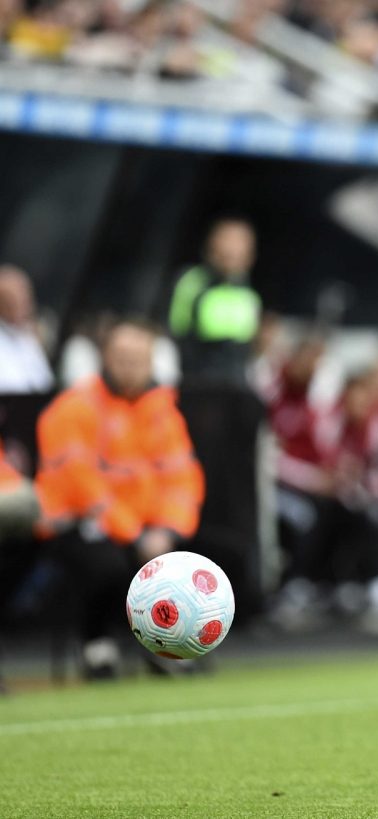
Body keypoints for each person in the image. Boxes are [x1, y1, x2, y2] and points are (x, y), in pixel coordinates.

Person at [34, 319, 205, 679]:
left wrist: (166, 531)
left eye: (138, 359)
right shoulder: (74, 407)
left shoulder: (162, 411)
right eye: (122, 358)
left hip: (148, 527)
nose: (130, 367)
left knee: (201, 558)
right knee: (107, 565)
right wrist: (135, 534)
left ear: (151, 362)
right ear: (105, 358)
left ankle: (167, 643)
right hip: (77, 523)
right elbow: (81, 484)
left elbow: (182, 479)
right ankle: (97, 645)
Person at [167, 217, 262, 386]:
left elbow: (247, 348)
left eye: (240, 242)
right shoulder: (192, 282)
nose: (232, 249)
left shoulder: (250, 295)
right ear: (211, 244)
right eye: (227, 239)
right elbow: (176, 333)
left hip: (235, 386)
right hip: (195, 382)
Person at [0, 264, 54, 394]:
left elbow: (45, 383)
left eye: (25, 297)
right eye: (12, 299)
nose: (25, 305)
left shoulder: (29, 339)